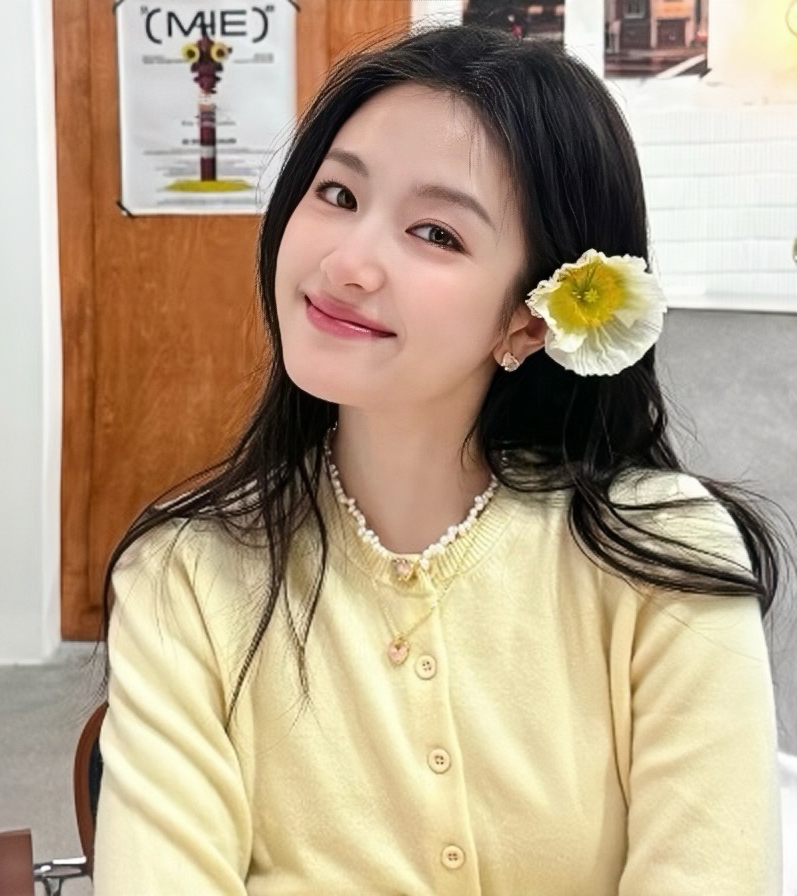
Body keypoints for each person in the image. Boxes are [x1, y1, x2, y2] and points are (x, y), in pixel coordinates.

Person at [92, 24, 785, 895]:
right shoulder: (183, 576)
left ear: (528, 321)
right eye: (338, 193)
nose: (348, 263)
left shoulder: (664, 552)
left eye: (434, 232)